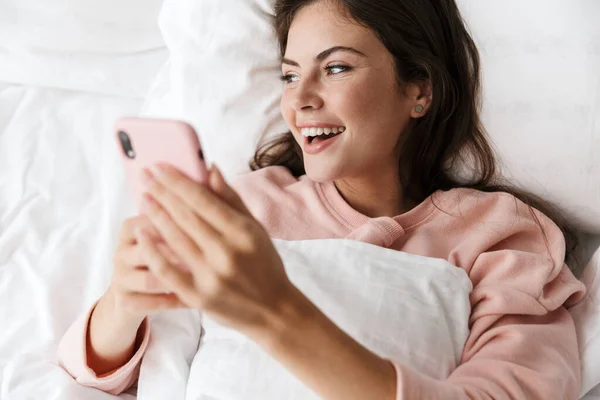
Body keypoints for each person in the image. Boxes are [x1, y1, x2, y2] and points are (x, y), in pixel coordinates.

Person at [57, 0, 587, 399]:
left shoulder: (500, 233)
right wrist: (125, 303)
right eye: (289, 74)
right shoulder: (249, 204)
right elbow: (101, 371)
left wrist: (275, 311)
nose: (301, 98)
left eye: (335, 68)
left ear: (418, 90)